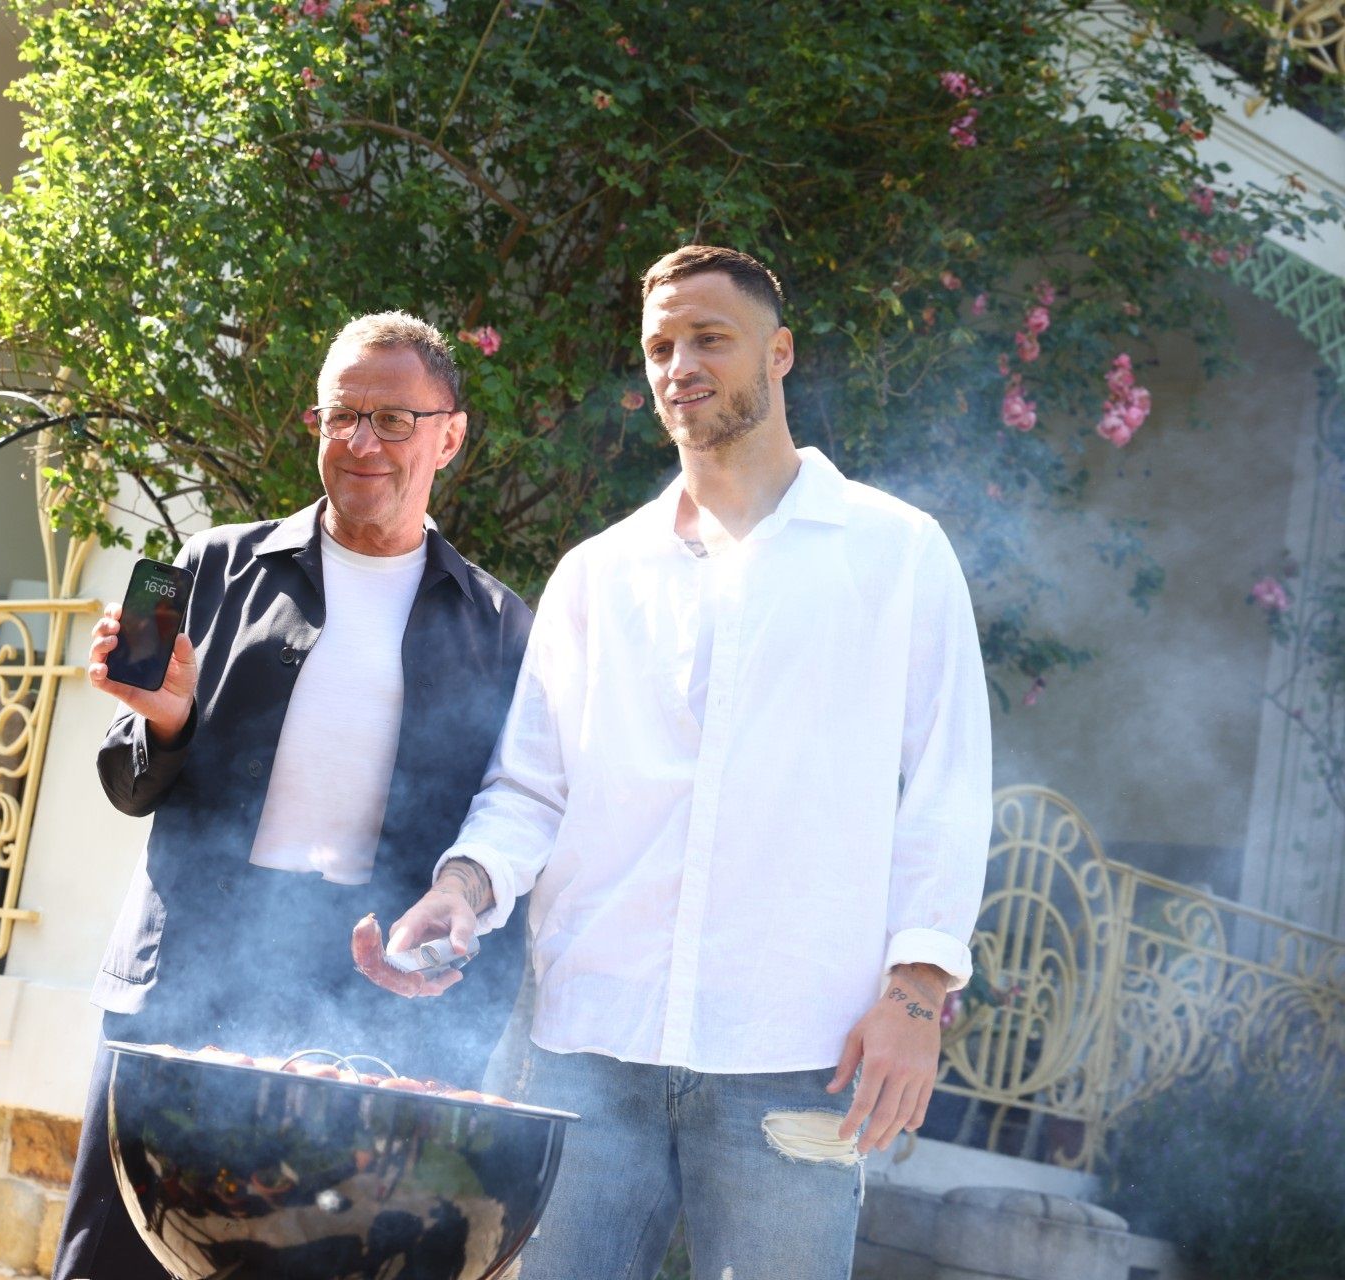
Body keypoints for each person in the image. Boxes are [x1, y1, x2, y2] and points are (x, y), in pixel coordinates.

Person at [359, 246, 992, 1279]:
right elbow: (532, 788)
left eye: (709, 337)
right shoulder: (597, 573)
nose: (679, 364)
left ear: (779, 353)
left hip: (797, 1053)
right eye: (660, 346)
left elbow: (947, 792)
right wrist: (461, 889)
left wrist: (916, 993)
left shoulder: (898, 553)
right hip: (587, 1045)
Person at [53, 312, 534, 1280]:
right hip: (188, 972)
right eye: (341, 415)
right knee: (115, 1257)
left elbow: (516, 814)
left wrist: (458, 1013)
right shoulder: (206, 566)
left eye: (394, 420)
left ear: (449, 436)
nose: (362, 442)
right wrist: (165, 720)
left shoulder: (499, 625)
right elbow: (126, 780)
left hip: (365, 998)